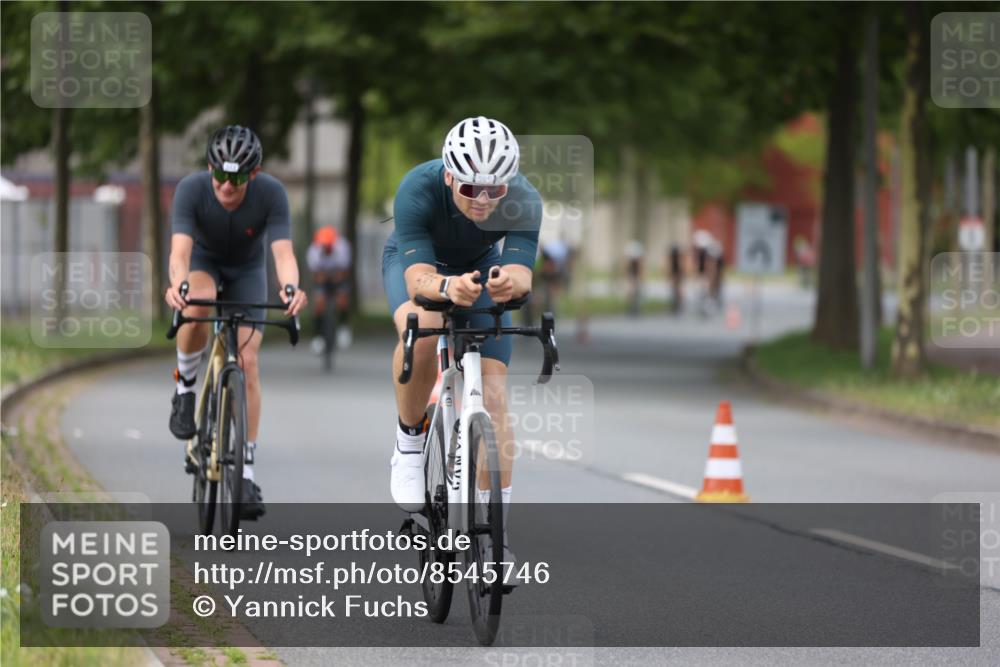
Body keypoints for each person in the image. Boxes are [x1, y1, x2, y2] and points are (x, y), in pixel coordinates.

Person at [382, 117, 541, 549]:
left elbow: (521, 274)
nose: (484, 200)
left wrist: (508, 284)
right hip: (417, 262)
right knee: (425, 327)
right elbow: (418, 280)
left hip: (478, 266)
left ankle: (497, 535)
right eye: (472, 189)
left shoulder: (525, 197)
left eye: (495, 190)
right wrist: (449, 288)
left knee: (494, 395)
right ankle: (409, 441)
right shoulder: (418, 187)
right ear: (450, 175)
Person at [164, 125, 307, 519]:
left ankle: (244, 473)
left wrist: (291, 288)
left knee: (247, 362)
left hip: (246, 270)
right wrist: (178, 284)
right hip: (204, 263)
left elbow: (282, 254)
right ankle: (186, 388)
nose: (228, 186)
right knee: (199, 301)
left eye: (238, 178)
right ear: (210, 169)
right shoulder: (191, 190)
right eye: (221, 176)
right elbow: (180, 252)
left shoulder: (272, 194)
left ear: (254, 175)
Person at [306, 225, 353, 353]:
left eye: (328, 245)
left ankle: (343, 327)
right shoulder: (313, 251)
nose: (325, 247)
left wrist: (337, 282)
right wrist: (323, 279)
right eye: (323, 245)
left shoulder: (343, 247)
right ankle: (317, 336)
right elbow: (316, 275)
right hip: (322, 277)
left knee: (342, 299)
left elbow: (344, 271)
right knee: (319, 303)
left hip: (339, 276)